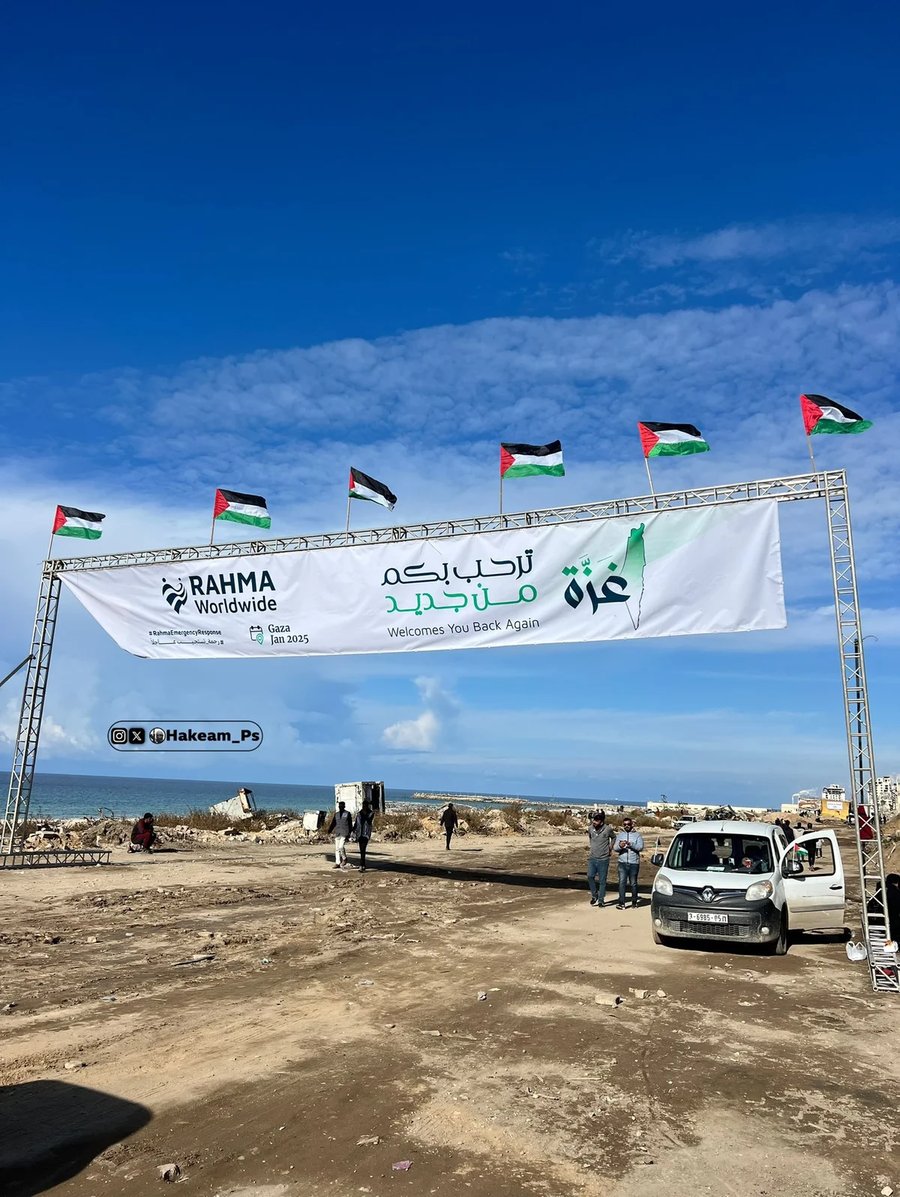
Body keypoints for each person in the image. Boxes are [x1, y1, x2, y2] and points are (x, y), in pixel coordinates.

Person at [586, 809, 615, 907]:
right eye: (594, 820)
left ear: (602, 821)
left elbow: (614, 837)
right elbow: (590, 838)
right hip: (592, 857)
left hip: (603, 859)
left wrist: (610, 847)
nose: (594, 822)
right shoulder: (590, 828)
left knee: (602, 880)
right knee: (590, 876)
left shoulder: (608, 829)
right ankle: (595, 895)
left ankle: (601, 900)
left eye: (597, 820)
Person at [615, 817, 644, 910]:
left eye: (628, 824)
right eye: (625, 824)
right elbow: (615, 848)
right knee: (621, 883)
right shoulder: (620, 835)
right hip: (622, 862)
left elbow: (640, 847)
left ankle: (634, 902)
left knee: (633, 883)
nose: (627, 826)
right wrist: (620, 846)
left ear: (632, 824)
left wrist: (631, 844)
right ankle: (621, 903)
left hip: (634, 863)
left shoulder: (637, 835)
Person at [327, 801, 353, 869]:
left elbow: (350, 824)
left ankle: (344, 858)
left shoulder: (347, 814)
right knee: (337, 849)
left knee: (341, 847)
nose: (340, 807)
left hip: (344, 832)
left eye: (342, 806)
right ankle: (337, 863)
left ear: (344, 806)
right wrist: (329, 830)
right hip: (337, 832)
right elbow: (333, 823)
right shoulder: (336, 814)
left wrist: (350, 832)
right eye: (339, 806)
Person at [353, 802, 374, 872]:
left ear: (367, 806)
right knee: (361, 850)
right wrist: (353, 830)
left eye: (365, 805)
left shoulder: (371, 813)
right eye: (363, 805)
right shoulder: (359, 813)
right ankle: (362, 864)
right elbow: (356, 823)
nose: (364, 807)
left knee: (363, 849)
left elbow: (369, 821)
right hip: (359, 834)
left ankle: (362, 865)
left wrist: (364, 814)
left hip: (366, 833)